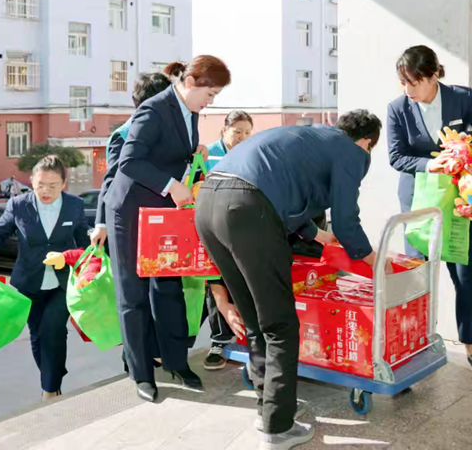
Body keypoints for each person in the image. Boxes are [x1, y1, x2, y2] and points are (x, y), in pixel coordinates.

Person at [195, 110, 384, 450]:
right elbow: (346, 220)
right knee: (281, 324)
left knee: (254, 317)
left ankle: (266, 409)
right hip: (247, 209)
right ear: (367, 142)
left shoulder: (311, 137)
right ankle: (278, 428)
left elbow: (283, 189)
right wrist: (374, 258)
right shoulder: (351, 150)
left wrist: (316, 234)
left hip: (209, 203)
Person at [104, 55, 231, 402]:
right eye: (211, 93)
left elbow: (171, 151)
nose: (211, 101)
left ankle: (177, 362)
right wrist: (170, 185)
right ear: (191, 83)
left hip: (163, 214)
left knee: (169, 290)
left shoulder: (189, 111)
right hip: (130, 212)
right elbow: (129, 162)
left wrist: (194, 154)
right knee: (133, 296)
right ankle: (142, 373)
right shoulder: (153, 109)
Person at [387, 44, 472, 366]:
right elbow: (396, 156)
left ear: (433, 75)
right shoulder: (398, 108)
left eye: (413, 82)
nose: (407, 90)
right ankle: (409, 347)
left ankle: (469, 345)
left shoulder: (464, 99)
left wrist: (463, 151)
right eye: (403, 82)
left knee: (466, 278)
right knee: (415, 278)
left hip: (461, 203)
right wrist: (432, 164)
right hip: (418, 204)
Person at [0, 156, 89, 401]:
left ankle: (50, 389)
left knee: (52, 329)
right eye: (40, 185)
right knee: (36, 334)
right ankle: (52, 377)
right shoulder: (18, 205)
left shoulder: (74, 206)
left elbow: (85, 248)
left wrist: (67, 256)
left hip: (61, 283)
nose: (46, 191)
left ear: (64, 183)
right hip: (29, 284)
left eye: (53, 186)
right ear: (32, 182)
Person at [90, 72, 172, 248]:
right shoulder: (124, 135)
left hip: (164, 216)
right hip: (132, 220)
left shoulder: (169, 132)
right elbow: (111, 179)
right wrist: (101, 223)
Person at [202, 110, 254, 371]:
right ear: (224, 131)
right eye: (237, 132)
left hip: (243, 229)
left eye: (247, 133)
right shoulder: (208, 154)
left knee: (243, 282)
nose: (242, 137)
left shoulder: (250, 155)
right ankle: (219, 341)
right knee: (215, 282)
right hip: (211, 227)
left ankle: (247, 336)